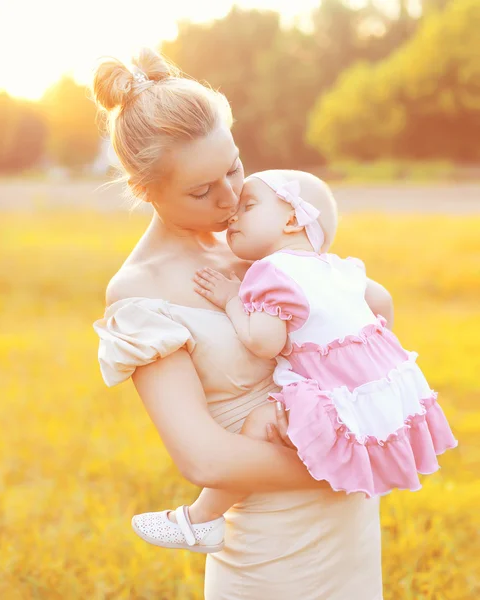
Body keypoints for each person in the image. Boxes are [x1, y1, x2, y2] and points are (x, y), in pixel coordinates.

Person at [92, 47, 384, 599]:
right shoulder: (139, 293)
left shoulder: (259, 242)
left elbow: (373, 312)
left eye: (234, 168)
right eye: (202, 191)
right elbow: (204, 457)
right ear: (144, 189)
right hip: (270, 544)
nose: (231, 200)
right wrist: (360, 455)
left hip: (349, 526)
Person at [130, 169, 458, 553]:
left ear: (291, 219)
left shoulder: (271, 272)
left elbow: (264, 342)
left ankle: (200, 520)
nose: (233, 216)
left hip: (337, 398)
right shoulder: (338, 268)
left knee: (258, 422)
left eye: (248, 206)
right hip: (382, 394)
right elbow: (380, 304)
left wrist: (232, 300)